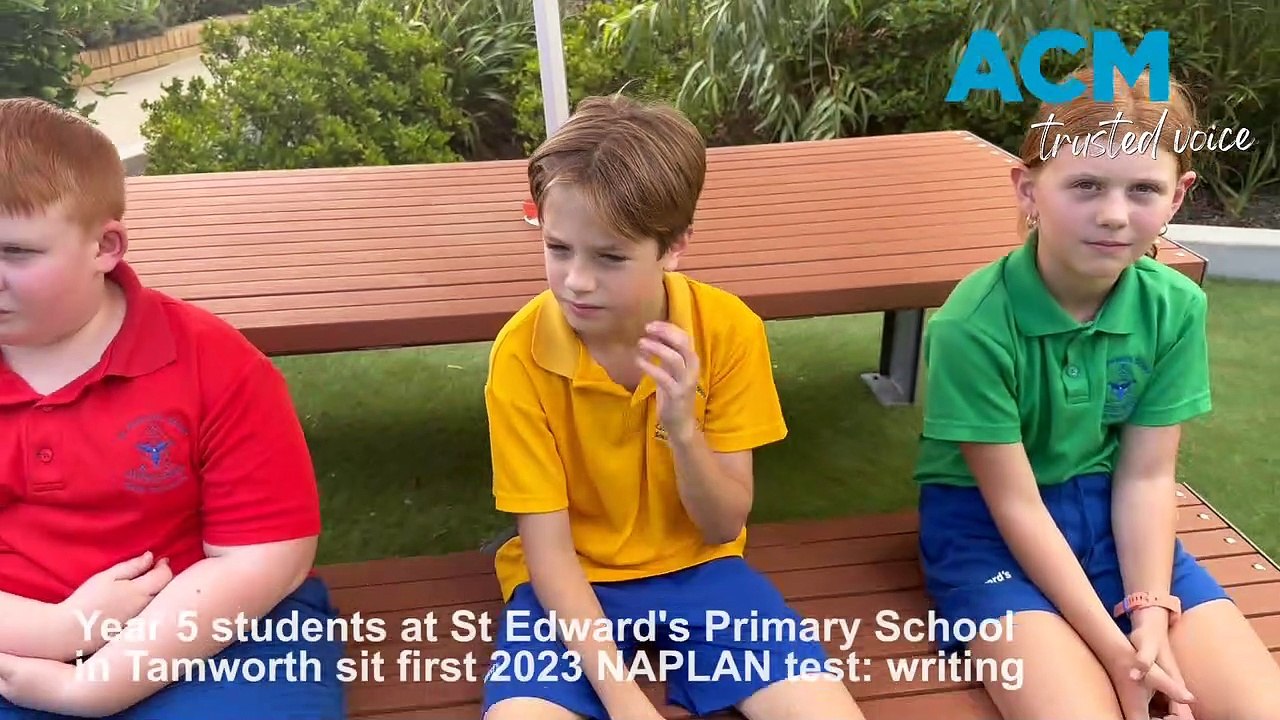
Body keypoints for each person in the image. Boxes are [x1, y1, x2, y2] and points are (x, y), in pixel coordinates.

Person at [480, 94, 865, 720]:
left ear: (674, 246)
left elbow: (722, 524)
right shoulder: (520, 352)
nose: (576, 280)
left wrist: (683, 429)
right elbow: (548, 554)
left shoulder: (727, 330)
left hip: (703, 570)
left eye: (609, 256)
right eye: (558, 248)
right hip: (568, 584)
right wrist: (629, 703)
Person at [912, 66, 1280, 720]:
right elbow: (1015, 505)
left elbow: (1144, 478)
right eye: (1085, 185)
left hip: (1113, 518)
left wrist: (1149, 614)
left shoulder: (1176, 307)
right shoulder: (970, 324)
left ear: (1177, 196)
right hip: (989, 534)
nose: (1113, 215)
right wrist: (1123, 657)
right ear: (1028, 189)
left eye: (1143, 189)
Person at [0, 98, 345, 719]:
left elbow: (266, 558)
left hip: (214, 633)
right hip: (16, 633)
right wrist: (61, 630)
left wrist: (95, 684)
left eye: (16, 253)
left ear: (106, 246)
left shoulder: (212, 362)